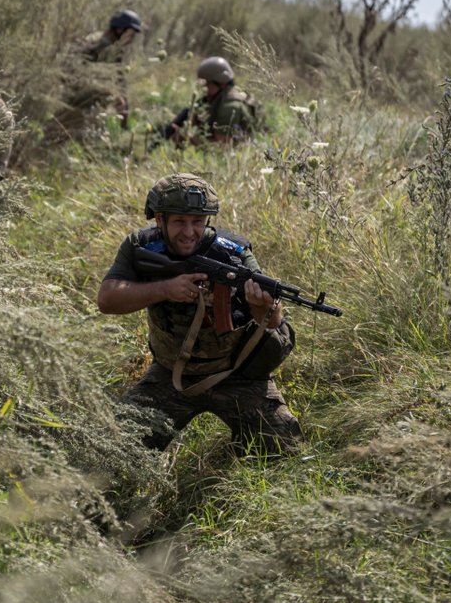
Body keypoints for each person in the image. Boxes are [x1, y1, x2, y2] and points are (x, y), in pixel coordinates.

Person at [96, 173, 302, 454]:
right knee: (113, 453)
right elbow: (107, 299)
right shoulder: (141, 246)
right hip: (169, 375)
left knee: (285, 450)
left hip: (237, 374)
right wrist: (166, 289)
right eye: (179, 221)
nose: (189, 231)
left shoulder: (233, 253)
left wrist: (264, 307)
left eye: (197, 222)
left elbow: (274, 321)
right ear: (160, 219)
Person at [54, 9, 144, 138]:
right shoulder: (98, 44)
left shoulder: (115, 49)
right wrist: (110, 93)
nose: (131, 39)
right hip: (76, 99)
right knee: (63, 134)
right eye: (131, 34)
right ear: (120, 30)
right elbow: (73, 70)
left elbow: (119, 81)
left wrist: (124, 118)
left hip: (87, 103)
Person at [161, 56, 260, 146]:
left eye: (206, 83)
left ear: (220, 83)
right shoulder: (223, 96)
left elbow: (222, 148)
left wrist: (187, 138)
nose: (204, 88)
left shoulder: (229, 107)